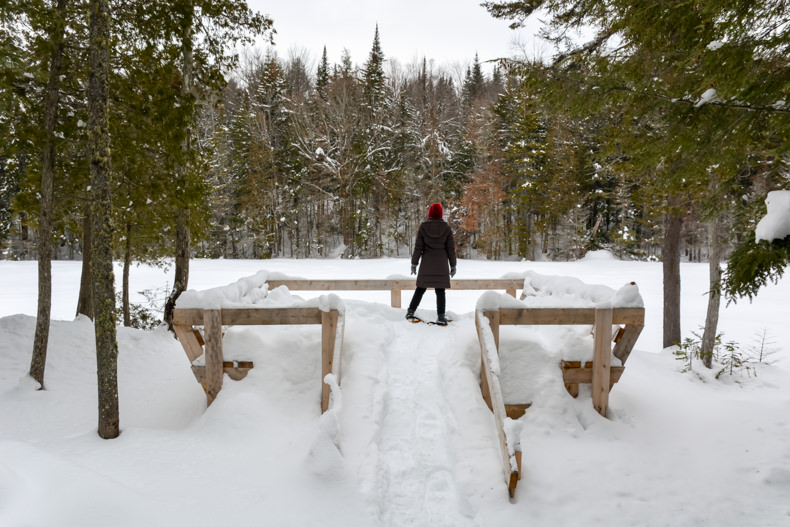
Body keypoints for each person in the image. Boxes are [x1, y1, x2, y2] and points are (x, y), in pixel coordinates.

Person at [406, 202, 457, 326]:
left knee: (420, 288)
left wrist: (414, 263)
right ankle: (440, 316)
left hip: (426, 265)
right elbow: (451, 249)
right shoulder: (446, 228)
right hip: (441, 265)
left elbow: (418, 247)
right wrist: (453, 265)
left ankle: (410, 311)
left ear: (430, 213)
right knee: (440, 291)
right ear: (440, 214)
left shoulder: (423, 227)